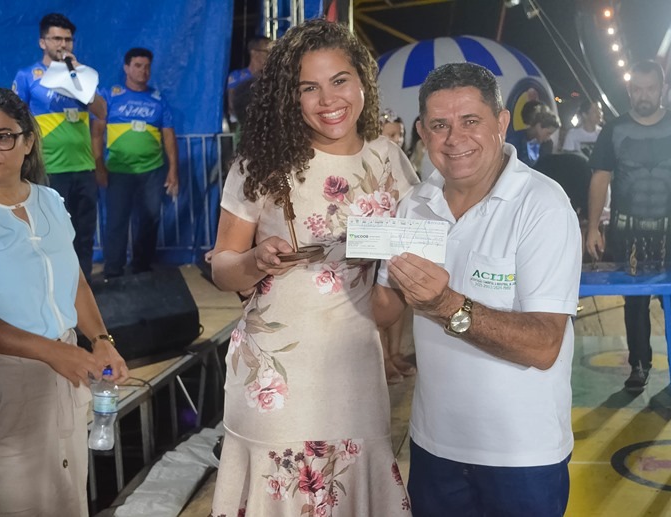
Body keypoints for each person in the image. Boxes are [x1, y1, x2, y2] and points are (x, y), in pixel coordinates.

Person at [209, 19, 418, 516]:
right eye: (309, 87)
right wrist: (255, 260)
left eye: (339, 80)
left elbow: (395, 294)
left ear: (362, 80)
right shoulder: (261, 163)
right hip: (275, 375)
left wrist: (391, 288)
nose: (328, 99)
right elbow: (222, 268)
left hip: (354, 368)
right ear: (290, 96)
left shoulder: (390, 162)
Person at [374, 63, 581, 517]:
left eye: (471, 121)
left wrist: (445, 304)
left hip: (522, 455)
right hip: (434, 446)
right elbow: (384, 309)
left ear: (501, 122)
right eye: (440, 125)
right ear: (422, 133)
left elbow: (544, 345)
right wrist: (336, 267)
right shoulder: (415, 205)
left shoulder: (542, 205)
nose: (455, 138)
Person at [0, 88, 128, 516]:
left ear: (27, 141)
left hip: (67, 370)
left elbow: (75, 282)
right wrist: (51, 352)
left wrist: (101, 340)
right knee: (18, 498)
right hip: (10, 377)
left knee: (67, 495)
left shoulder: (50, 202)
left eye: (3, 136)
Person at [587, 60, 671, 392]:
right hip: (628, 232)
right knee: (635, 303)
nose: (644, 95)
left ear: (662, 89)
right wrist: (593, 227)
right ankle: (639, 365)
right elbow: (600, 178)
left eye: (650, 88)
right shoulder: (614, 130)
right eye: (637, 89)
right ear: (629, 90)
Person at [12, 13, 106, 282]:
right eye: (56, 38)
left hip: (84, 167)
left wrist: (78, 75)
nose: (63, 44)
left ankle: (83, 288)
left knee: (84, 234)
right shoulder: (28, 76)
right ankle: (51, 286)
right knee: (50, 234)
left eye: (68, 39)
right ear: (43, 42)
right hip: (48, 169)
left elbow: (101, 111)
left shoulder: (80, 75)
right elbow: (14, 119)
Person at [92, 47, 179, 279]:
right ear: (126, 68)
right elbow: (96, 133)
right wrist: (99, 166)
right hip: (118, 171)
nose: (143, 71)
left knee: (150, 219)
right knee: (116, 221)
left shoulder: (158, 99)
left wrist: (173, 170)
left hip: (152, 171)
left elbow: (169, 136)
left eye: (147, 66)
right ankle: (113, 269)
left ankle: (142, 266)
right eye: (138, 66)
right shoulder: (110, 96)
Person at [378, 109, 416, 384]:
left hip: (399, 236)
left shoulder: (404, 161)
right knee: (378, 298)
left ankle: (395, 352)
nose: (397, 140)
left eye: (399, 135)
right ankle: (382, 358)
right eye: (390, 135)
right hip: (372, 239)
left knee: (400, 295)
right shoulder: (367, 160)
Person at [227, 36, 272, 125]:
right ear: (254, 52)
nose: (270, 56)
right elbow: (232, 104)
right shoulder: (236, 76)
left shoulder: (271, 77)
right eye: (267, 52)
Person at [507, 100, 560, 167]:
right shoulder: (513, 140)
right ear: (539, 126)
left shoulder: (547, 145)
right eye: (548, 133)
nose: (548, 138)